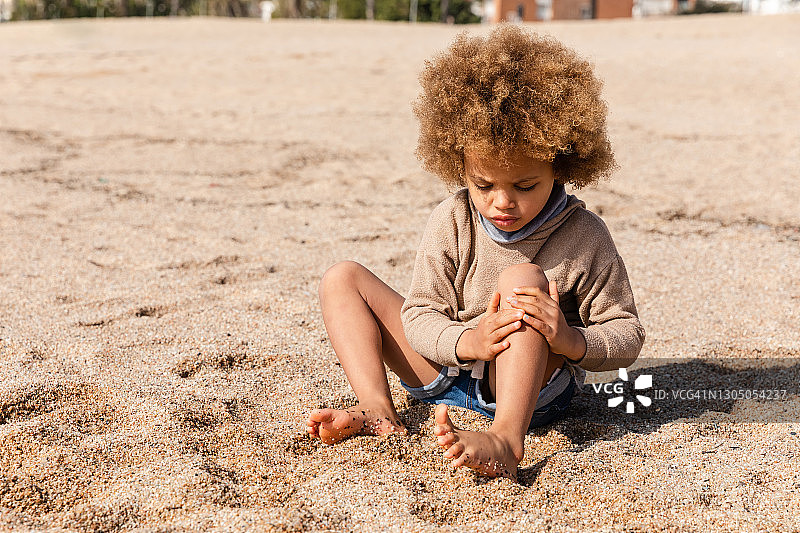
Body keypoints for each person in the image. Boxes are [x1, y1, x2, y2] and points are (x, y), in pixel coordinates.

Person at [306, 25, 645, 479]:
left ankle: (506, 437)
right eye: (483, 184)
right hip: (446, 369)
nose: (501, 202)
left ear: (561, 166)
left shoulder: (585, 235)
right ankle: (376, 405)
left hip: (528, 392)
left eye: (525, 186)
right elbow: (422, 313)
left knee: (521, 280)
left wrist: (570, 340)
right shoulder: (453, 218)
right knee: (342, 278)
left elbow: (627, 334)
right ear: (457, 163)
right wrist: (467, 341)